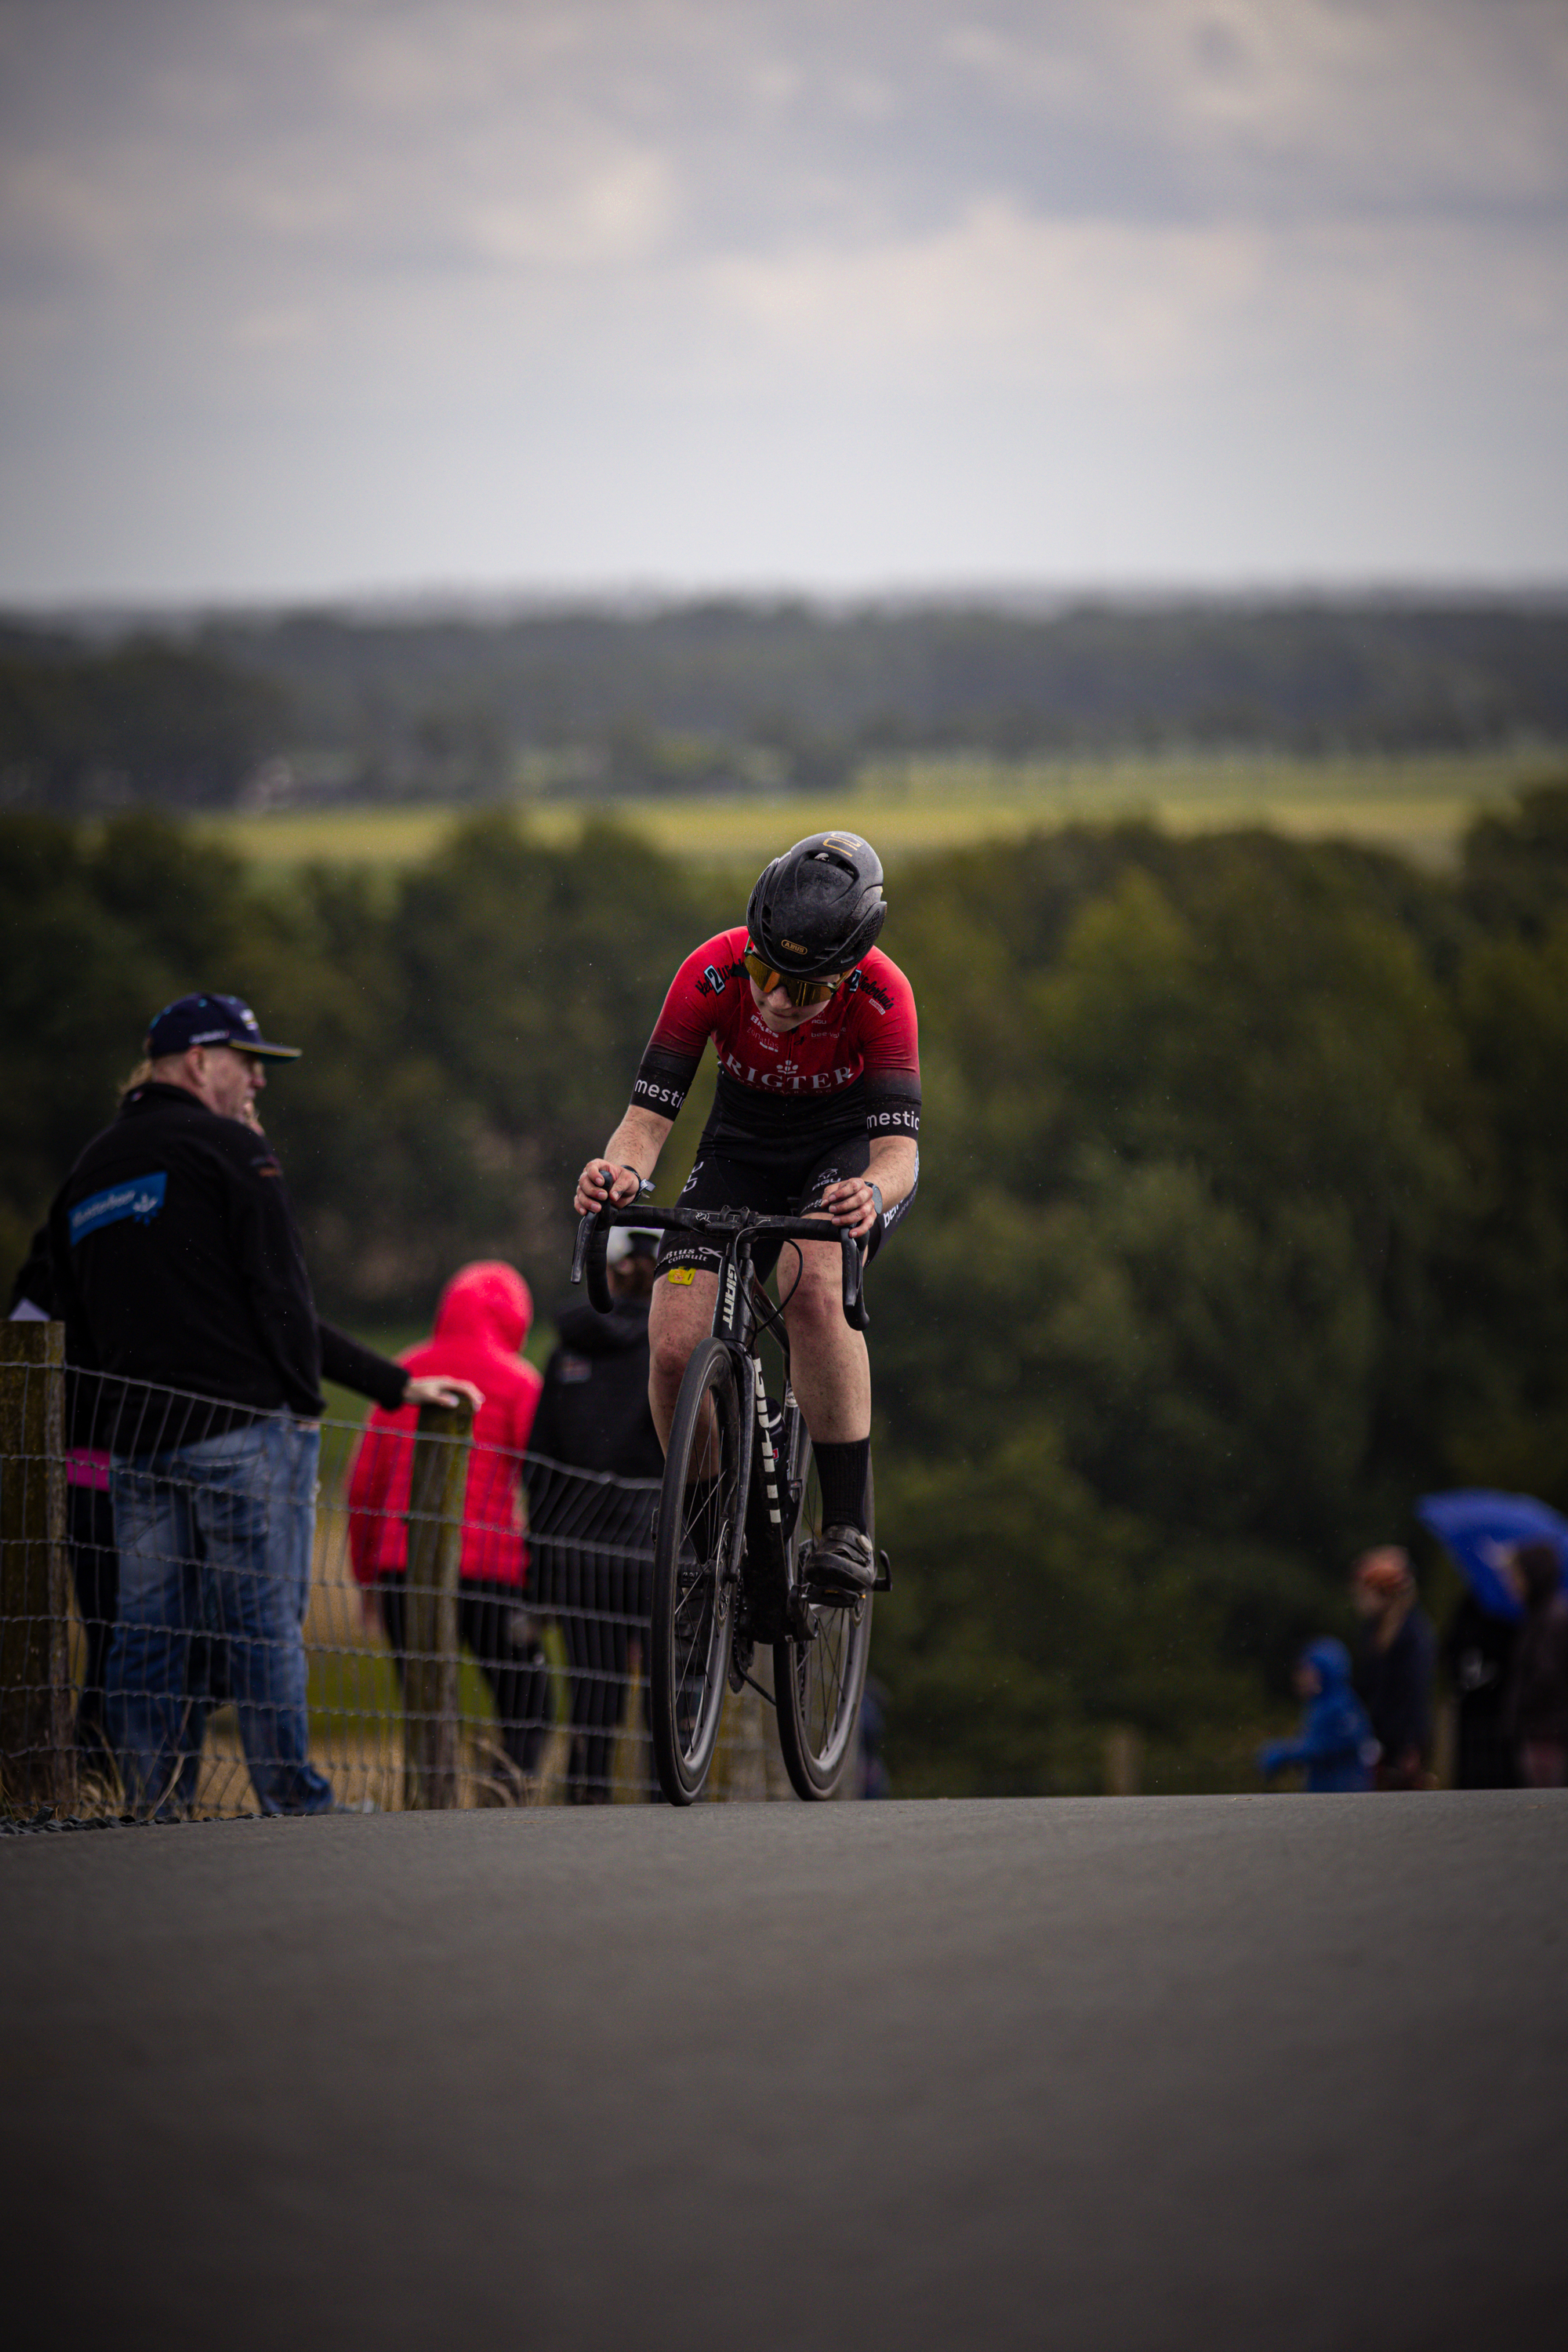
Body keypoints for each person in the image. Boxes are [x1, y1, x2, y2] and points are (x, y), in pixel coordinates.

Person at [47, 992, 477, 1819]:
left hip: (132, 1443)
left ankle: (152, 1803)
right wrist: (307, 1403)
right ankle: (290, 1798)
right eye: (248, 1063)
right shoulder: (233, 1151)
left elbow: (76, 1320)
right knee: (262, 1626)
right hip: (242, 1428)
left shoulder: (90, 1169)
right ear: (199, 1062)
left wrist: (96, 1437)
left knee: (143, 1634)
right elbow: (280, 1296)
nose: (258, 1083)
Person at [572, 832, 920, 1599]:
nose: (774, 1001)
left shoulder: (884, 995)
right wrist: (617, 1172)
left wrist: (870, 1193)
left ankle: (847, 1528)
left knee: (812, 1286)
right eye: (766, 974)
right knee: (671, 1348)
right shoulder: (710, 970)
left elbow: (898, 1153)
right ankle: (700, 1545)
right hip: (739, 1150)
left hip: (840, 1156)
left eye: (806, 991)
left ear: (849, 971)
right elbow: (646, 1122)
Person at [347, 1261, 548, 1797]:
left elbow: (363, 1486)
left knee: (427, 1703)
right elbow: (546, 1483)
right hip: (494, 1576)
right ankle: (502, 1797)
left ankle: (433, 1804)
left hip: (400, 1569)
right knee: (528, 1700)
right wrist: (543, 1576)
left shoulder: (408, 1373)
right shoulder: (520, 1381)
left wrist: (368, 1579)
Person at [528, 1224, 665, 1802]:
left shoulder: (566, 1352)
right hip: (663, 1547)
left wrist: (540, 1570)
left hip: (579, 1552)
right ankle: (671, 1804)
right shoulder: (676, 1349)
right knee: (671, 1688)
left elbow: (539, 1465)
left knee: (593, 1691)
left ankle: (587, 1805)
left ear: (606, 1273)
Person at [1351, 1547, 1437, 1791]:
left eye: (1364, 1593)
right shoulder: (1374, 1632)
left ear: (1382, 1593)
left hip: (1403, 1743)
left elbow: (1417, 1692)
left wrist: (1413, 1745)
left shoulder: (1412, 1635)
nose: (1359, 1600)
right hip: (1381, 1739)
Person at [1257, 1639, 1377, 1792]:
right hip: (1326, 1793)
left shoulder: (1340, 1704)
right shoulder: (1318, 1705)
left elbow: (1332, 1743)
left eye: (1307, 1671)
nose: (1300, 1677)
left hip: (1343, 1792)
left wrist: (1288, 1753)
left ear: (1326, 1671)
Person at [1504, 1539, 1568, 1788]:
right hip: (1545, 1731)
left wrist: (1520, 1709)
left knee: (1547, 1807)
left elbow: (1546, 1677)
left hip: (1547, 1734)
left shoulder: (1549, 1620)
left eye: (1517, 1574)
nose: (1512, 1583)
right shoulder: (1542, 1616)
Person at [1442, 1587, 1519, 1789]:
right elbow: (1451, 1648)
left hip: (1499, 1711)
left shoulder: (1513, 1613)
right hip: (1474, 1711)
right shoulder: (1470, 1607)